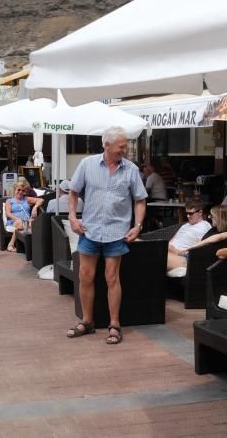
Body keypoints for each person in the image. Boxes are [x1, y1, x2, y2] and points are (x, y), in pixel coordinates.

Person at [66, 126, 147, 345]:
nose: (125, 149)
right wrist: (73, 218)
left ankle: (114, 324)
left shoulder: (130, 169)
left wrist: (138, 225)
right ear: (107, 145)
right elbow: (73, 193)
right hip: (90, 230)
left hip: (116, 232)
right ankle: (87, 321)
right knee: (85, 275)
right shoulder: (87, 164)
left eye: (126, 145)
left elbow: (140, 199)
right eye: (122, 146)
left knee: (112, 278)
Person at [167, 205, 227, 273]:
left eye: (212, 216)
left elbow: (216, 238)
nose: (210, 218)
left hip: (192, 262)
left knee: (159, 258)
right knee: (162, 252)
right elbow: (205, 241)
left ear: (220, 218)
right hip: (190, 256)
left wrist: (188, 248)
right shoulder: (214, 229)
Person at [166, 200, 212, 270]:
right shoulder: (185, 225)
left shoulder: (204, 226)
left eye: (191, 213)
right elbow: (173, 240)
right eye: (186, 213)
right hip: (169, 251)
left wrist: (177, 251)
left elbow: (199, 250)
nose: (188, 216)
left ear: (200, 212)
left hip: (182, 257)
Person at [4, 182, 44, 253]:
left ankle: (33, 247)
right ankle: (11, 244)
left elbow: (41, 200)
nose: (20, 192)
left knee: (32, 224)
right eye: (18, 190)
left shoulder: (26, 199)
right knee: (20, 223)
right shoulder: (9, 201)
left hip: (27, 222)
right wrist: (18, 219)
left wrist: (35, 207)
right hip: (14, 221)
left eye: (22, 190)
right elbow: (8, 213)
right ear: (14, 190)